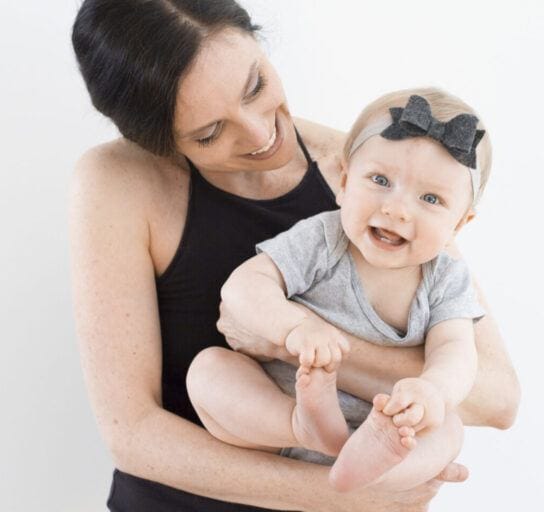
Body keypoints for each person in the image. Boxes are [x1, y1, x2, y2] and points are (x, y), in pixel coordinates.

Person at [69, 1, 520, 510]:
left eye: (256, 86)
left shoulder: (378, 169)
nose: (262, 134)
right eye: (210, 133)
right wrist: (348, 497)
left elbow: (496, 398)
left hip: (361, 449)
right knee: (212, 372)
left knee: (446, 427)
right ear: (154, 142)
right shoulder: (120, 182)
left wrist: (297, 345)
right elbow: (131, 436)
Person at [187, 89, 491, 494]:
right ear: (345, 183)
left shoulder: (446, 278)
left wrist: (432, 391)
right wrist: (295, 328)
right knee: (208, 370)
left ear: (458, 225)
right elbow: (244, 287)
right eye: (380, 180)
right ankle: (304, 427)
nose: (397, 209)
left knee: (448, 428)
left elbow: (457, 352)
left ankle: (375, 466)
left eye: (431, 199)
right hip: (284, 404)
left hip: (388, 419)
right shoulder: (324, 238)